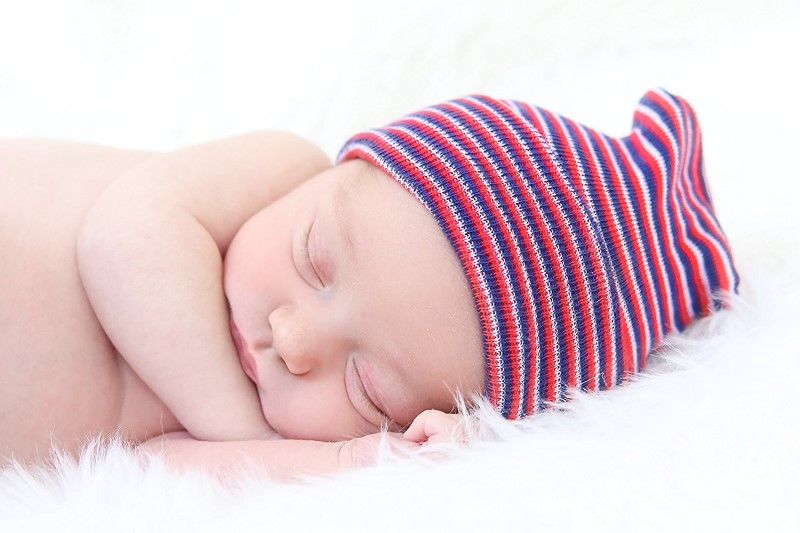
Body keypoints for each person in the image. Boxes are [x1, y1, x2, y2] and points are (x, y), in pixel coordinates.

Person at [0, 88, 738, 479]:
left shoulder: (232, 417)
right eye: (316, 258)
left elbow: (150, 476)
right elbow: (122, 236)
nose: (291, 339)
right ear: (339, 173)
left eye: (367, 389)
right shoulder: (282, 167)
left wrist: (349, 461)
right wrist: (246, 430)